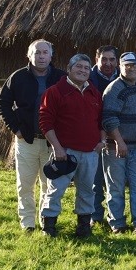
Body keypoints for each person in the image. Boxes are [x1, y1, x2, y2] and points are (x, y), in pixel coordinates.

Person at [0, 39, 67, 233]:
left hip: (52, 143)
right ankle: (27, 223)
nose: (41, 56)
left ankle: (46, 220)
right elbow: (2, 104)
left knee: (49, 184)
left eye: (45, 52)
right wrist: (16, 128)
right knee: (25, 184)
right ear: (29, 55)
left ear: (51, 56)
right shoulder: (18, 77)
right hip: (27, 140)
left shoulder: (61, 78)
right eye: (37, 53)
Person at [39, 54, 107, 237]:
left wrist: (102, 141)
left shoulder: (94, 92)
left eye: (86, 68)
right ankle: (49, 227)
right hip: (65, 152)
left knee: (87, 191)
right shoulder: (55, 91)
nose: (83, 70)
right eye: (79, 67)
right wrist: (57, 148)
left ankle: (83, 227)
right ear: (69, 69)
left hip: (90, 151)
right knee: (56, 190)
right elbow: (46, 122)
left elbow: (101, 120)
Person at [101, 51, 136, 236]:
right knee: (115, 187)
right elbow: (109, 119)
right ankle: (117, 224)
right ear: (120, 67)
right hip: (115, 147)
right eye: (127, 65)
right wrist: (119, 142)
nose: (131, 68)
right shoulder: (114, 89)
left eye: (134, 65)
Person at [89, 45, 119, 228]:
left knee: (114, 182)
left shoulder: (123, 79)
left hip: (116, 137)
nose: (108, 63)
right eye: (104, 59)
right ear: (97, 60)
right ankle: (95, 216)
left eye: (112, 59)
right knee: (95, 179)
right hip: (93, 136)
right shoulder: (88, 79)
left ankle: (114, 217)